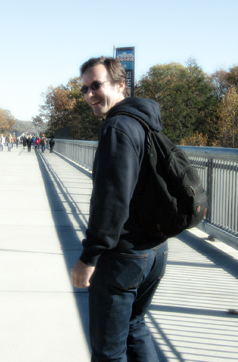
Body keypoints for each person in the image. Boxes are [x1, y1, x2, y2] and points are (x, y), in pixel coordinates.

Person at [70, 56, 168, 361]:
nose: (89, 95)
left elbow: (111, 202)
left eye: (96, 85)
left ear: (120, 84)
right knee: (135, 327)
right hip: (155, 251)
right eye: (84, 89)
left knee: (108, 351)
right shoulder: (145, 121)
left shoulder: (117, 128)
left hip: (123, 256)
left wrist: (89, 257)